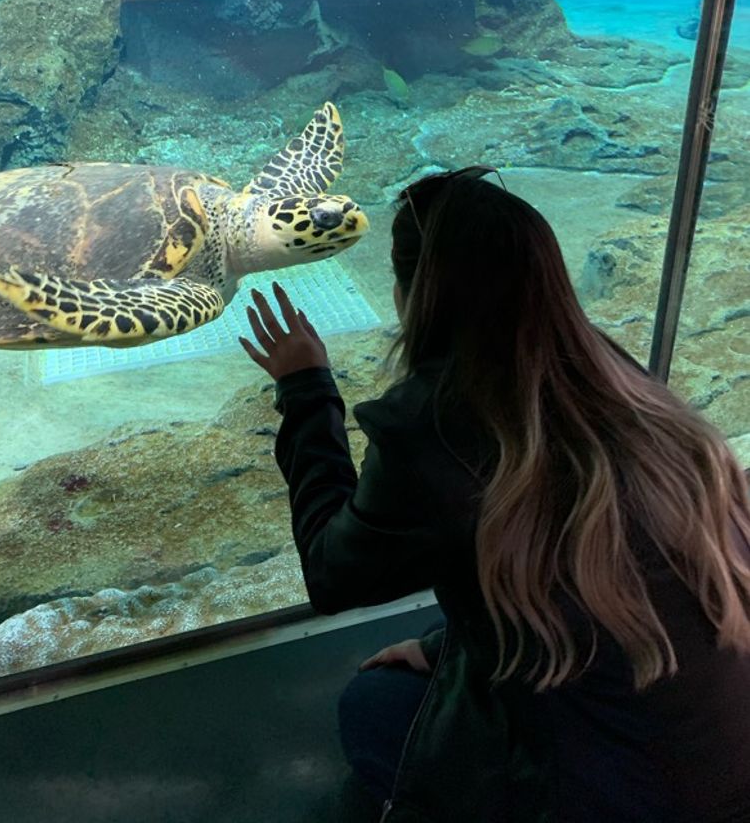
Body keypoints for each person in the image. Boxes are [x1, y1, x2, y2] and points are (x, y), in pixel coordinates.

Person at [239, 167, 750, 823]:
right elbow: (580, 575)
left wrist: (306, 388)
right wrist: (438, 645)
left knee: (370, 709)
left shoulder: (432, 423)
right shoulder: (620, 383)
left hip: (614, 794)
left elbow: (333, 575)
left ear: (411, 292)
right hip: (726, 764)